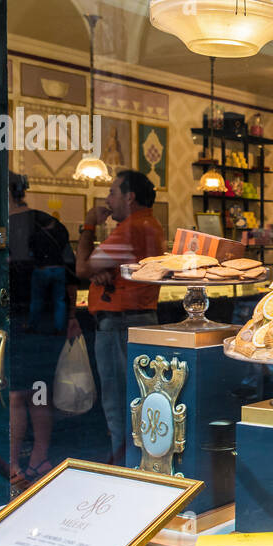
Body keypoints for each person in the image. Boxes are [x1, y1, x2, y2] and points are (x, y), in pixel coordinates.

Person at [75, 169, 166, 466]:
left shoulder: (130, 227)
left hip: (119, 324)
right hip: (141, 319)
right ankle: (139, 461)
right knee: (141, 398)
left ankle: (122, 465)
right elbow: (98, 267)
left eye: (112, 192)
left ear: (130, 197)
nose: (107, 199)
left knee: (118, 402)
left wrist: (89, 224)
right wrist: (103, 269)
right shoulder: (151, 224)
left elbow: (82, 268)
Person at [7, 172, 77, 491]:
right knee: (38, 392)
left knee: (18, 395)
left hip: (19, 323)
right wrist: (71, 318)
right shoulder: (49, 224)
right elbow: (71, 279)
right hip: (48, 324)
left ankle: (13, 464)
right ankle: (38, 458)